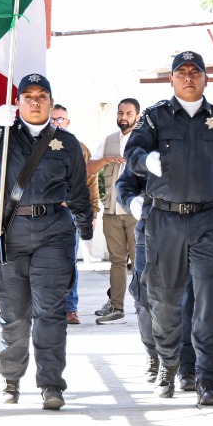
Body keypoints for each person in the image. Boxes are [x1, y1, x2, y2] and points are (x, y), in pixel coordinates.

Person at [0, 74, 94, 410]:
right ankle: (10, 379)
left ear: (51, 102)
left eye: (42, 95)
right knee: (14, 314)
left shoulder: (67, 143)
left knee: (50, 313)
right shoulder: (1, 134)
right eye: (28, 96)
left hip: (54, 231)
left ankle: (51, 385)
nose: (35, 101)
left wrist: (85, 233)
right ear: (18, 103)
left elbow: (78, 192)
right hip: (10, 231)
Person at [124, 51, 213, 405]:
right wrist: (145, 160)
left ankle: (208, 379)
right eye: (182, 72)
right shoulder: (154, 118)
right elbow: (131, 155)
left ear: (206, 79)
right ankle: (169, 364)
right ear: (172, 79)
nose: (189, 77)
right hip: (164, 222)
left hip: (208, 220)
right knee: (164, 302)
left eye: (196, 71)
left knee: (207, 303)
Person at [115, 163, 197, 386]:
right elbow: (125, 184)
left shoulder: (199, 145)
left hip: (192, 232)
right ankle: (154, 355)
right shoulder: (148, 146)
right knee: (145, 299)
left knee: (187, 299)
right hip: (150, 229)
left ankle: (187, 367)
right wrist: (134, 203)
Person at [91, 98, 141, 324]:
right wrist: (106, 160)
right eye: (121, 113)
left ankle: (144, 307)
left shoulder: (146, 140)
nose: (123, 117)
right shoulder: (109, 140)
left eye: (129, 113)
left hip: (136, 212)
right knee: (117, 261)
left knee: (141, 261)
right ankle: (116, 306)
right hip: (112, 211)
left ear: (137, 116)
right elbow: (89, 168)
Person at [51, 104, 100, 325]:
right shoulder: (36, 145)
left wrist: (93, 212)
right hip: (45, 212)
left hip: (71, 212)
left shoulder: (79, 148)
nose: (56, 123)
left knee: (69, 261)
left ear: (67, 122)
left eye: (60, 119)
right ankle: (48, 308)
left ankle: (70, 308)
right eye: (52, 119)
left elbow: (91, 180)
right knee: (45, 262)